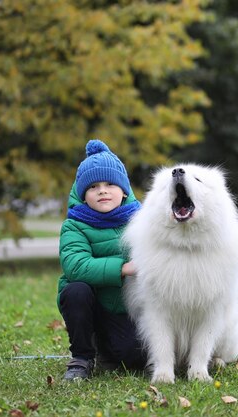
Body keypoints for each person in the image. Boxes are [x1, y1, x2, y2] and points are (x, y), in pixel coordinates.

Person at [57, 139, 145, 380]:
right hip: (94, 306)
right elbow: (75, 266)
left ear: (124, 190)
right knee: (76, 290)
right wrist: (123, 268)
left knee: (134, 357)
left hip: (128, 310)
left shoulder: (143, 220)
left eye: (110, 184)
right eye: (93, 186)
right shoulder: (74, 225)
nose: (103, 190)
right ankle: (82, 357)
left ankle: (106, 347)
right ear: (84, 195)